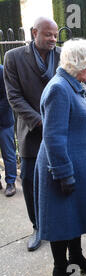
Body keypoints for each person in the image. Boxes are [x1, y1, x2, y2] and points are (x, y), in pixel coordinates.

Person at [34, 39, 86, 276]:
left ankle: (77, 259)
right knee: (61, 220)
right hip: (60, 166)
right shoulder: (59, 89)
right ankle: (62, 270)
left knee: (73, 216)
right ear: (77, 63)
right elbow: (54, 137)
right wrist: (63, 174)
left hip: (75, 163)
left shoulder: (71, 85)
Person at [3, 17, 60, 251]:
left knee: (60, 179)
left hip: (59, 130)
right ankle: (38, 227)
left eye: (55, 35)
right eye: (48, 34)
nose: (53, 39)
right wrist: (39, 121)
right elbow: (14, 97)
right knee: (28, 179)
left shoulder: (63, 55)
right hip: (31, 130)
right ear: (34, 32)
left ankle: (58, 223)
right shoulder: (14, 57)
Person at [0, 64, 17, 197]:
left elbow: (7, 97)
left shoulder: (1, 71)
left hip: (4, 121)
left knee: (8, 153)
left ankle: (11, 183)